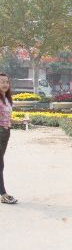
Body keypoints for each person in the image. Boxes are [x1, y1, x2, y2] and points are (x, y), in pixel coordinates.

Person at [0, 73, 17, 204]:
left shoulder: (7, 99)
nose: (5, 84)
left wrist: (21, 121)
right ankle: (3, 194)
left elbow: (8, 119)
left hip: (6, 133)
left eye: (6, 81)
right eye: (2, 82)